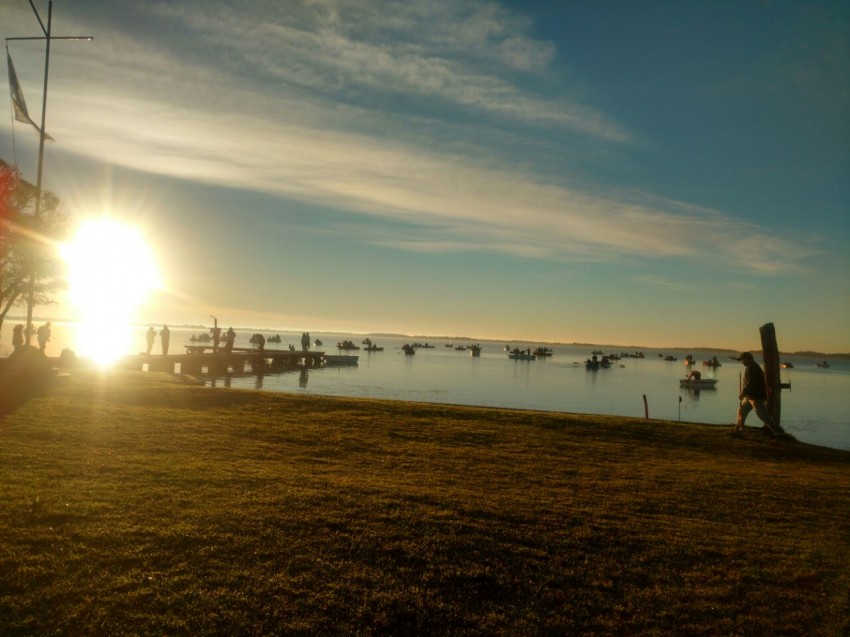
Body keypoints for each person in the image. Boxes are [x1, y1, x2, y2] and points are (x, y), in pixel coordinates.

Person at [734, 352, 784, 437]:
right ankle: (738, 431)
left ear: (748, 358)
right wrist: (745, 394)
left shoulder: (753, 368)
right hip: (750, 396)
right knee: (741, 412)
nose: (741, 362)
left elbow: (751, 383)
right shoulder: (751, 367)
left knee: (762, 416)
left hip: (756, 397)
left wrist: (743, 393)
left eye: (742, 360)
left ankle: (779, 431)